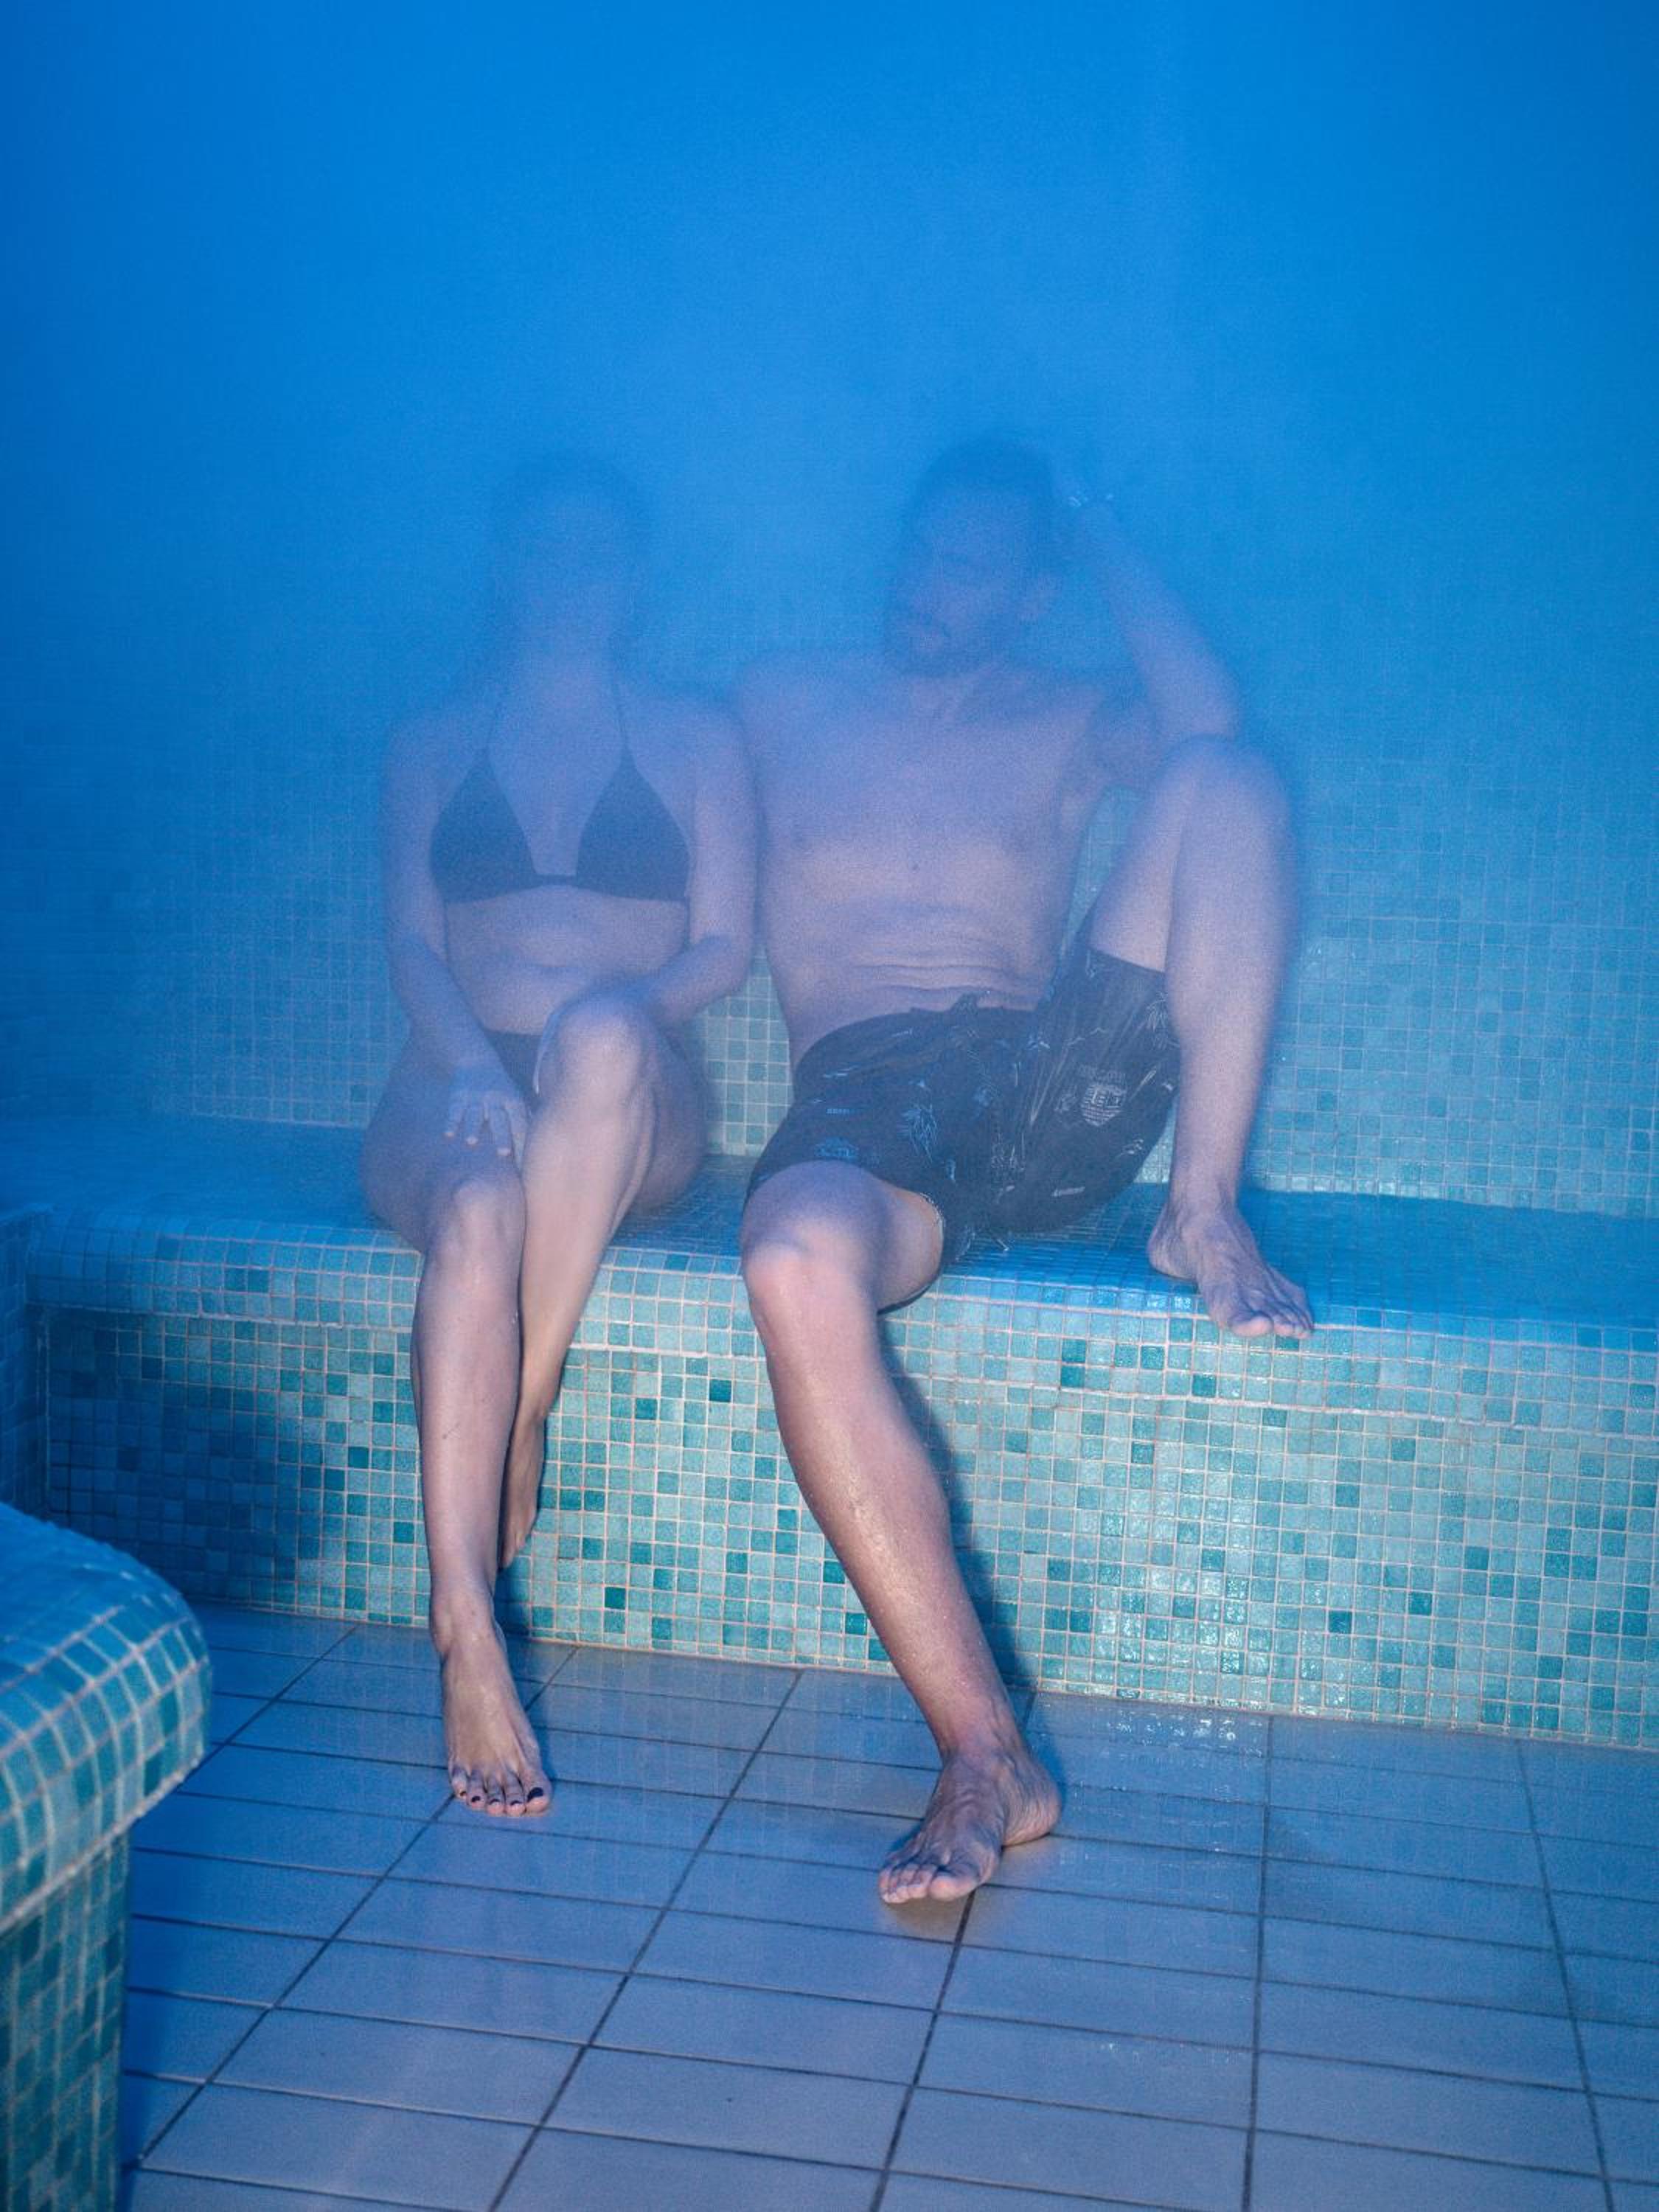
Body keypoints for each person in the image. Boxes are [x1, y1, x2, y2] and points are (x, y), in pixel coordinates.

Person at [737, 437, 1308, 1902]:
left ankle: (1200, 1209)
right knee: (789, 1260)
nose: (928, 584)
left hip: (1041, 1078)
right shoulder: (782, 699)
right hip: (865, 1099)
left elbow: (1209, 719)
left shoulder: (1065, 716)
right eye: (920, 550)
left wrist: (1096, 520)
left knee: (1229, 777)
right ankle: (988, 1757)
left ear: (1034, 591)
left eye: (972, 565)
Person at [362, 454, 754, 1815]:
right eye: (543, 550)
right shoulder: (431, 740)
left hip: (622, 1085)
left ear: (635, 577)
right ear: (503, 565)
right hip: (453, 1069)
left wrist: (625, 1012)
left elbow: (724, 945)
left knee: (595, 1035)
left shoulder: (695, 737)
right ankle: (464, 1625)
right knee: (476, 1210)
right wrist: (474, 1062)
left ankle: (521, 1406)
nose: (568, 579)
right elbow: (414, 943)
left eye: (596, 554)